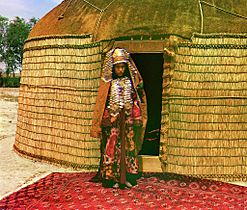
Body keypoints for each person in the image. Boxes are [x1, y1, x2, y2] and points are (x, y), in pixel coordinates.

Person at [90, 48, 147, 189]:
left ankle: (127, 177)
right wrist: (107, 119)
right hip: (114, 122)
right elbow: (103, 102)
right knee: (112, 148)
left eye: (122, 67)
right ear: (113, 68)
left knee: (128, 148)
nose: (120, 70)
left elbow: (136, 100)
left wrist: (136, 116)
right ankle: (112, 178)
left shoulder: (130, 83)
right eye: (118, 67)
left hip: (128, 122)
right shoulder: (108, 84)